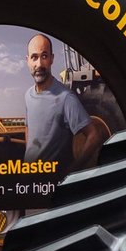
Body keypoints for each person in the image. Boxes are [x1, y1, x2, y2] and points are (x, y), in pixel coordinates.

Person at [22, 33, 103, 169]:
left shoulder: (66, 97)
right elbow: (28, 128)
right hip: (27, 175)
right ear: (28, 60)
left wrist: (73, 170)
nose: (39, 64)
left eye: (44, 56)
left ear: (52, 59)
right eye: (34, 57)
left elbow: (94, 136)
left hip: (49, 179)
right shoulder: (27, 95)